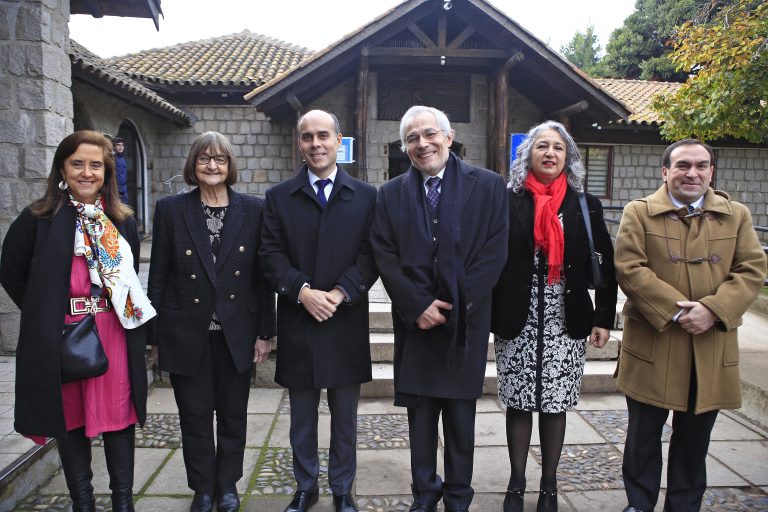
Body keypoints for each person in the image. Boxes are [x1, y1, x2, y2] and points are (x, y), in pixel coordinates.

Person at [0, 130, 156, 512]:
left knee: (120, 417)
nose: (87, 173)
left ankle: (123, 503)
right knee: (70, 420)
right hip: (63, 336)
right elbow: (11, 271)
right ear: (62, 169)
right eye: (77, 164)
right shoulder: (38, 218)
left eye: (95, 165)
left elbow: (129, 277)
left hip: (114, 333)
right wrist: (45, 313)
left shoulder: (121, 220)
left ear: (106, 171)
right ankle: (82, 503)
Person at [614, 139, 767, 512]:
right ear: (665, 171)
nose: (692, 173)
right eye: (683, 165)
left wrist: (712, 310)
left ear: (711, 172)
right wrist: (678, 312)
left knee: (694, 441)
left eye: (701, 165)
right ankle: (639, 503)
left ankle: (684, 505)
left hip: (709, 347)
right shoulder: (638, 212)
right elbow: (629, 267)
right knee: (642, 438)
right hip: (654, 343)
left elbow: (751, 269)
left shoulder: (737, 215)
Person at [370, 105, 508, 512]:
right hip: (416, 323)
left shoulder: (486, 185)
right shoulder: (390, 193)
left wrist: (458, 305)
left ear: (449, 137)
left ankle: (459, 496)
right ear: (404, 147)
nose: (422, 144)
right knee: (421, 419)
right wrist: (417, 306)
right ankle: (425, 494)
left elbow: (495, 250)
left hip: (465, 320)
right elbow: (384, 252)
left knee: (461, 420)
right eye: (412, 138)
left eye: (429, 134)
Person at [490, 121, 618, 512]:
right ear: (527, 153)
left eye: (558, 148)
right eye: (541, 146)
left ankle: (548, 485)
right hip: (517, 315)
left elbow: (605, 263)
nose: (549, 153)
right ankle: (516, 482)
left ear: (568, 157)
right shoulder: (509, 198)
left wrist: (603, 317)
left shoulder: (583, 203)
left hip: (567, 315)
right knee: (518, 402)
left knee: (555, 403)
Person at [147, 131, 276, 512]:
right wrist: (155, 336)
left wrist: (266, 333)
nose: (212, 166)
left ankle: (228, 485)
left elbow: (261, 278)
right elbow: (158, 275)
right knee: (195, 415)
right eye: (204, 159)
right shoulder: (171, 209)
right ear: (193, 165)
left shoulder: (253, 209)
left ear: (230, 166)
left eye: (220, 159)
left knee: (234, 414)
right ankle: (203, 488)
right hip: (187, 332)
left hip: (237, 332)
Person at [259, 110, 378, 512]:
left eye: (323, 135)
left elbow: (371, 253)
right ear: (300, 143)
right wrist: (302, 291)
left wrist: (343, 292)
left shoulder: (365, 195)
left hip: (344, 321)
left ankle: (343, 488)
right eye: (307, 137)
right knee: (302, 418)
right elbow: (269, 254)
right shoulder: (278, 197)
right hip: (299, 321)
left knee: (345, 418)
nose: (316, 144)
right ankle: (306, 486)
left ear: (338, 139)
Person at [113, 137, 129, 204]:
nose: (121, 147)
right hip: (116, 190)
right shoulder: (113, 159)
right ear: (114, 147)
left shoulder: (123, 159)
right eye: (118, 145)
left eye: (122, 145)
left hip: (124, 190)